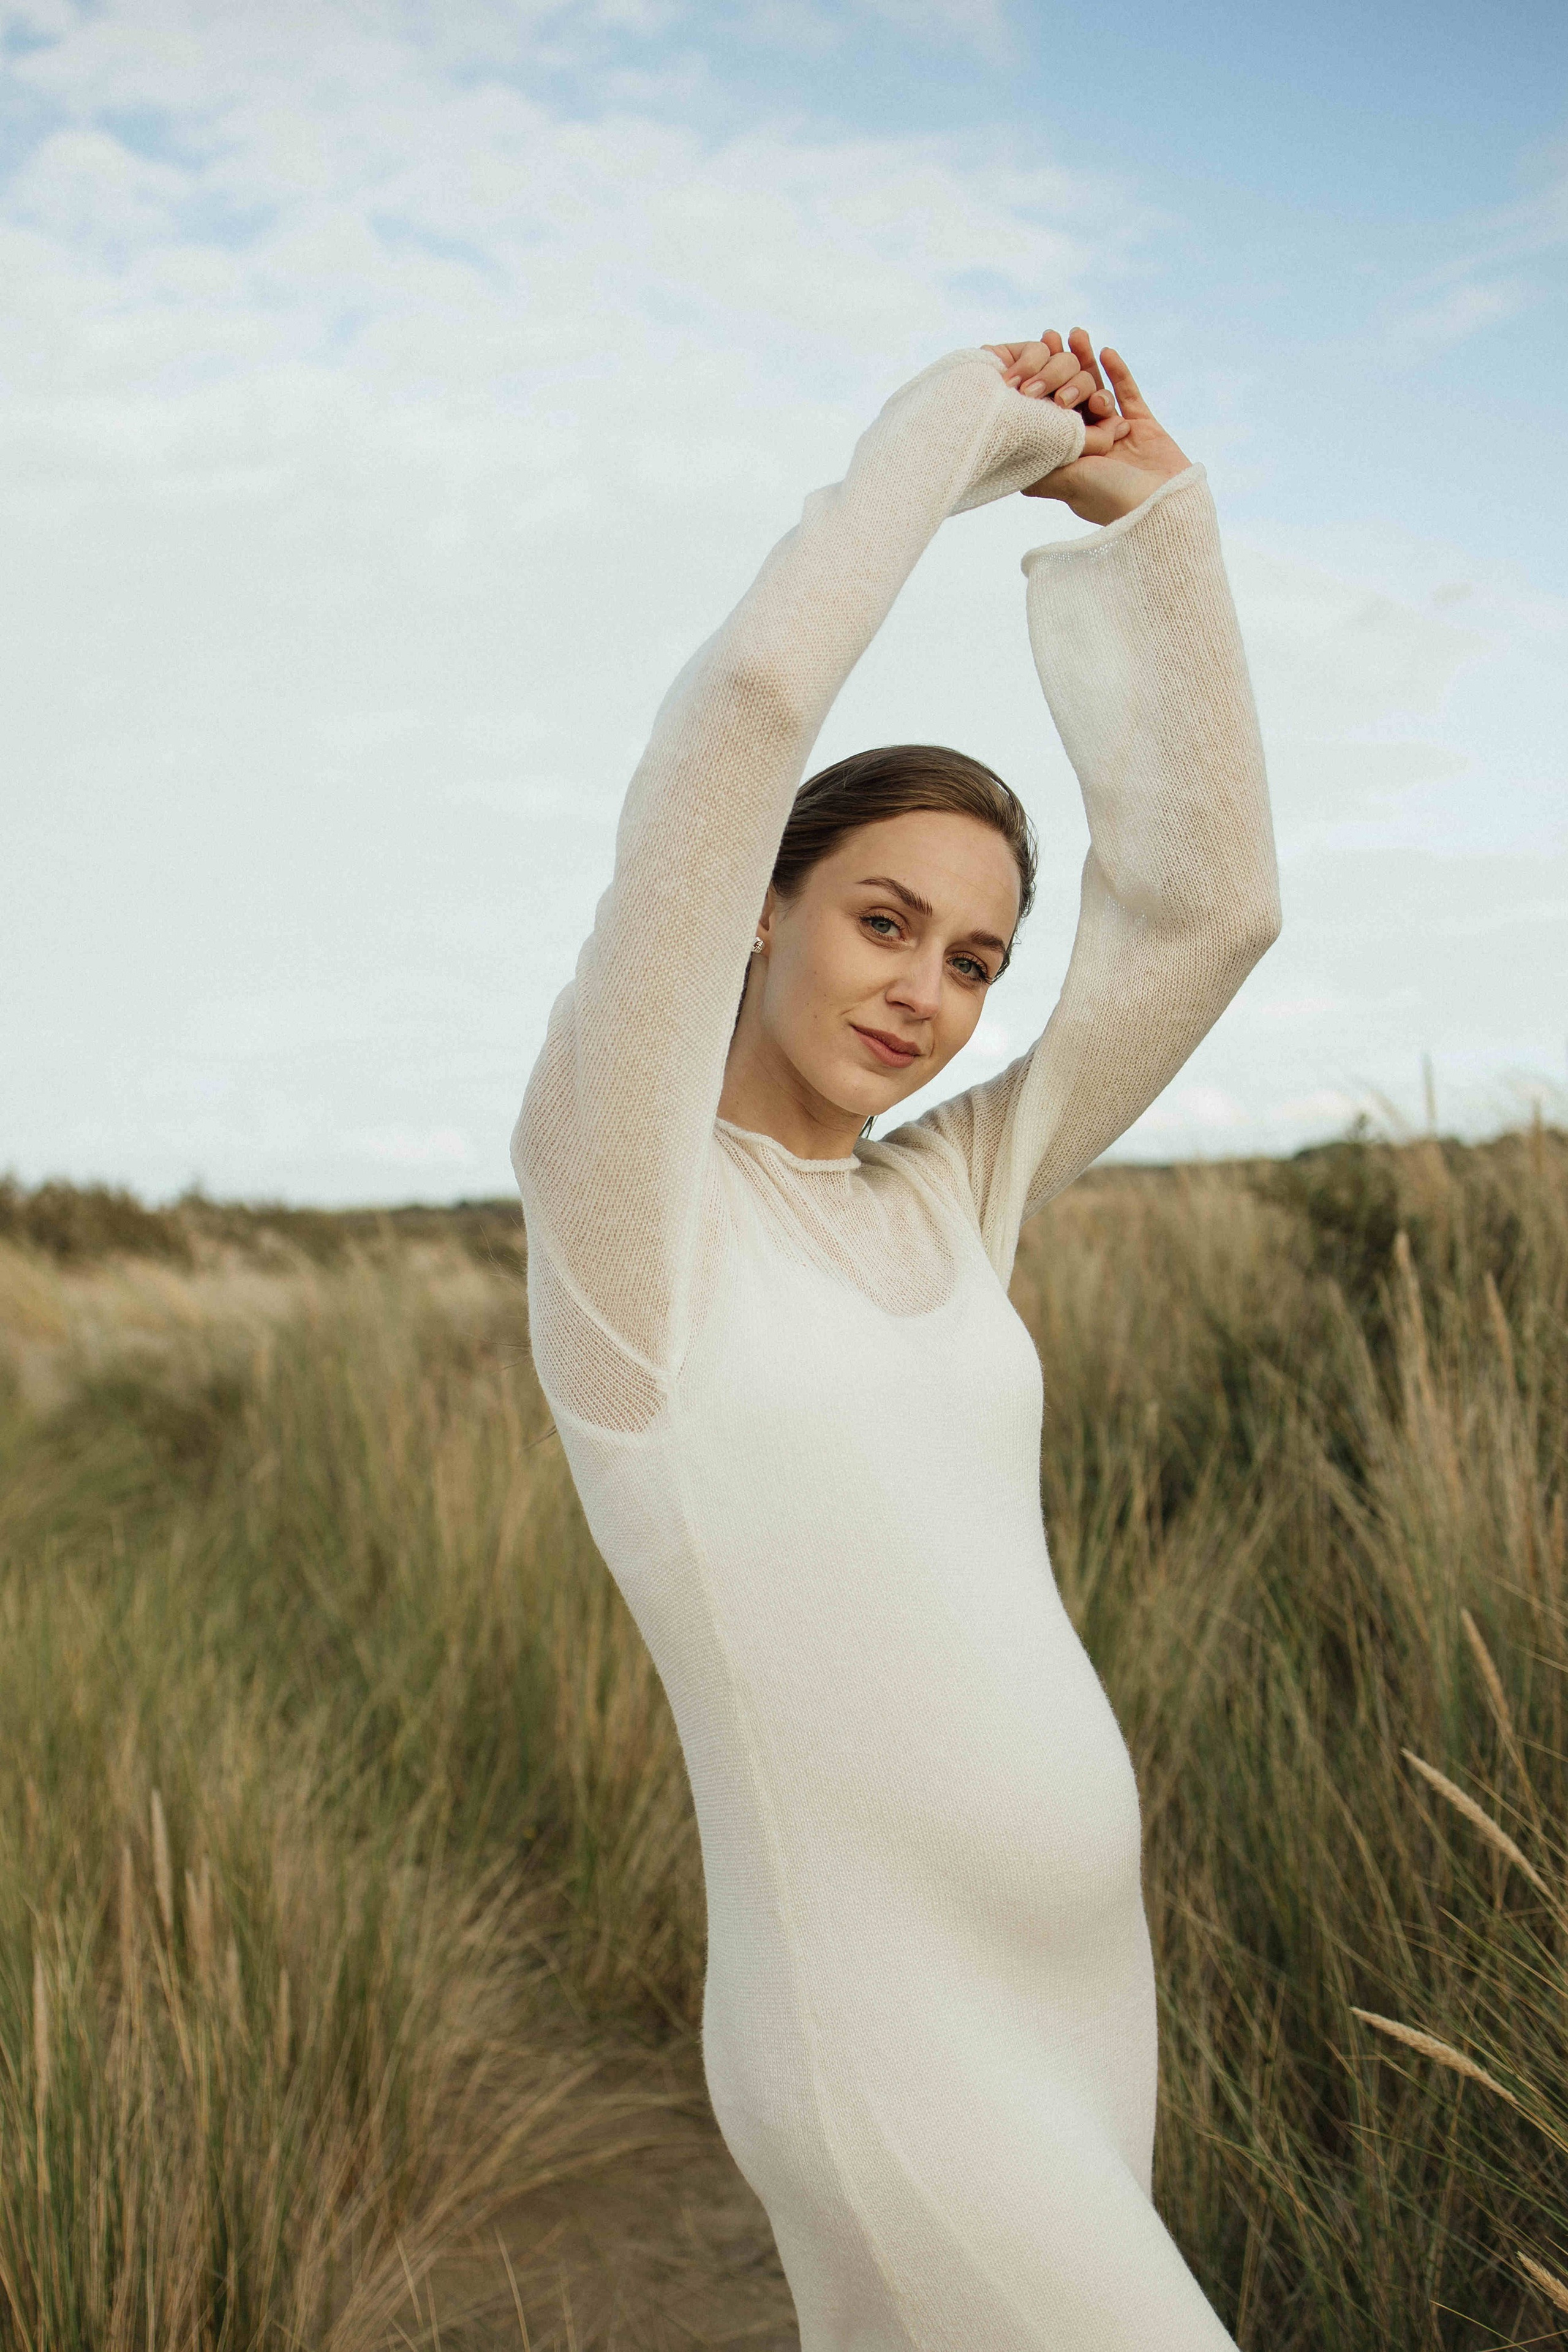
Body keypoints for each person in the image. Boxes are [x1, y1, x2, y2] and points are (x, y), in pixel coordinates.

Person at [511, 323, 1280, 2349]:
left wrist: (1153, 529)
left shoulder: (948, 1191)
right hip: (879, 2041)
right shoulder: (628, 1218)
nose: (928, 995)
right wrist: (948, 445)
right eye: (880, 919)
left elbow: (1209, 917)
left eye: (974, 960)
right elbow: (750, 710)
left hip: (1078, 1997)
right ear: (758, 911)